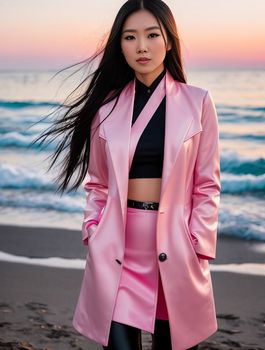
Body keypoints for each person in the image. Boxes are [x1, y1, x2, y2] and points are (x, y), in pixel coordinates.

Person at [32, 0, 221, 349]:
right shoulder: (106, 108)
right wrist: (93, 229)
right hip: (118, 244)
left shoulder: (198, 102)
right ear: (120, 45)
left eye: (152, 35)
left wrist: (199, 242)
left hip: (175, 246)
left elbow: (206, 183)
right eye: (130, 37)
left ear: (169, 41)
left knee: (175, 341)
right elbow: (98, 182)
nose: (142, 47)